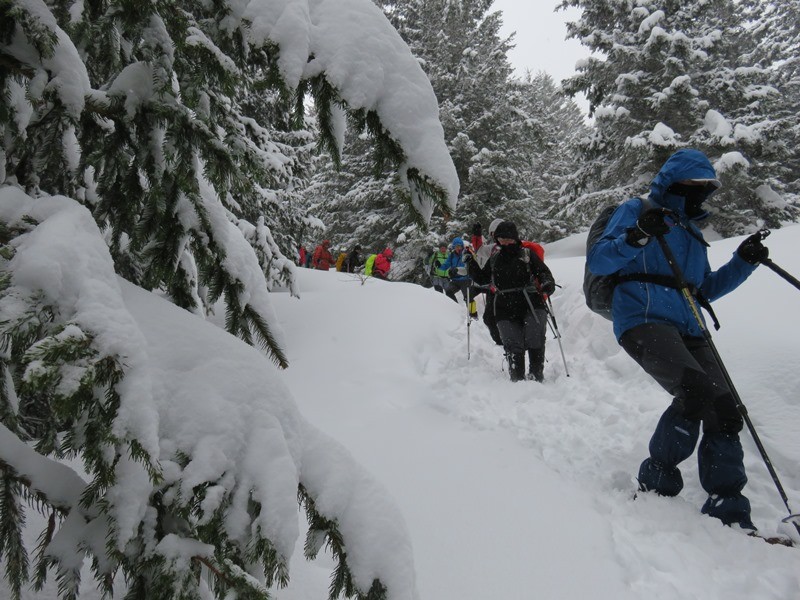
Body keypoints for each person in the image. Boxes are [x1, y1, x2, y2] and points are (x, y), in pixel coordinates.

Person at [586, 148, 768, 530]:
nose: (699, 195)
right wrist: (636, 236)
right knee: (695, 391)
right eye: (693, 186)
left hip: (688, 325)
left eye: (706, 188)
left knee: (725, 409)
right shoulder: (636, 210)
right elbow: (601, 261)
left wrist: (743, 261)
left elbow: (702, 290)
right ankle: (656, 483)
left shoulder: (691, 231)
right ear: (673, 183)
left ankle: (729, 508)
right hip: (641, 319)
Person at [483, 221, 555, 382]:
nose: (505, 242)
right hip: (504, 305)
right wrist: (470, 263)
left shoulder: (527, 254)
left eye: (508, 239)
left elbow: (543, 272)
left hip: (530, 301)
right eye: (501, 239)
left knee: (535, 336)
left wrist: (546, 283)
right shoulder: (495, 259)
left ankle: (536, 375)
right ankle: (517, 379)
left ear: (515, 238)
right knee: (512, 342)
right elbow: (482, 277)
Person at [441, 237, 476, 317]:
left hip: (465, 279)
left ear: (462, 246)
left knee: (468, 297)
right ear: (453, 247)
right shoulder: (452, 255)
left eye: (459, 246)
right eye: (455, 246)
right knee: (448, 291)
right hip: (455, 280)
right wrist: (440, 266)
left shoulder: (466, 253)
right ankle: (457, 310)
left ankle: (473, 313)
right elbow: (446, 264)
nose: (457, 248)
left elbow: (473, 262)